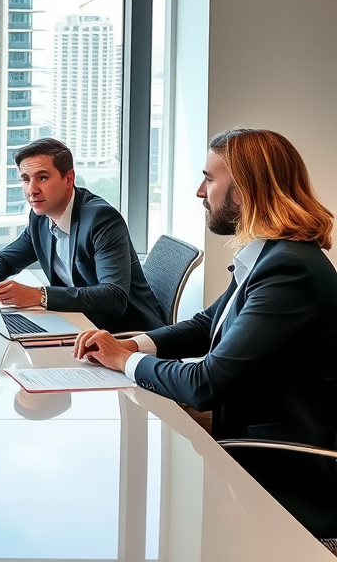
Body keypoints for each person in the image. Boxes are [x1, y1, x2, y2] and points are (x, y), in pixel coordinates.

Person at [74, 128, 337, 539]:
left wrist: (126, 361)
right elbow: (204, 325)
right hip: (247, 431)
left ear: (247, 188)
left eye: (209, 178)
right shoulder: (271, 254)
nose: (200, 191)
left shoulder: (289, 269)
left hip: (279, 465)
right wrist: (132, 345)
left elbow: (205, 385)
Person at [0, 137, 164, 333]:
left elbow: (113, 297)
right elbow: (5, 260)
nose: (32, 190)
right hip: (76, 323)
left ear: (68, 179)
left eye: (42, 177)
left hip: (124, 332)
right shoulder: (40, 217)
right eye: (26, 179)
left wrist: (38, 295)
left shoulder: (101, 219)